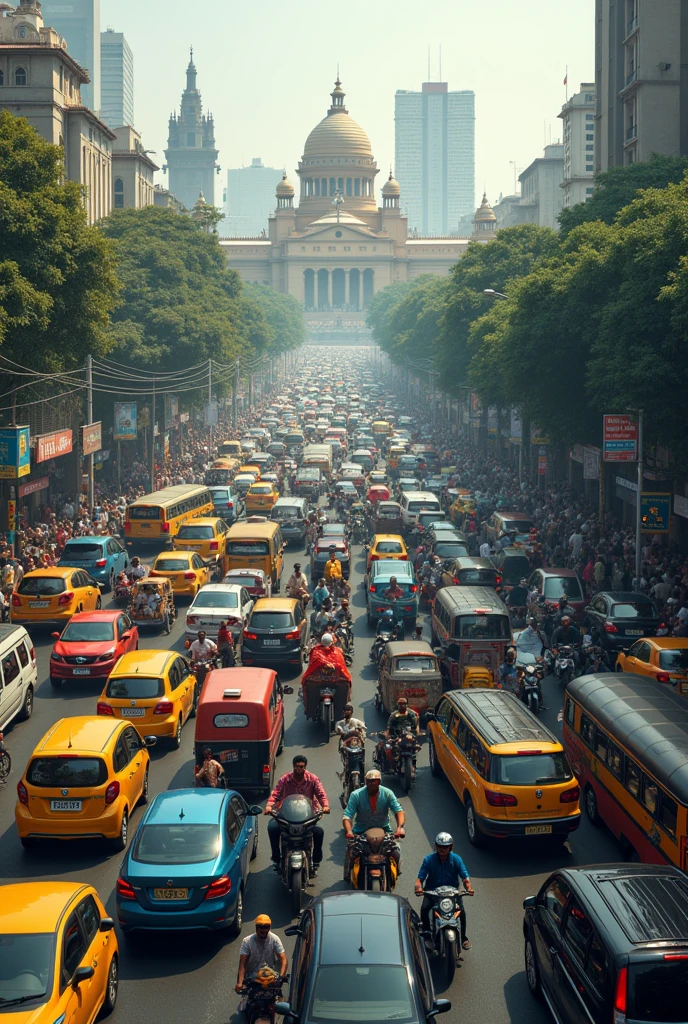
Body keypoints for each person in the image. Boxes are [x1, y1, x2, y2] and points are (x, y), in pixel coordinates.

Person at [265, 754, 330, 870]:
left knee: (319, 833)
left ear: (305, 767)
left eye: (301, 767)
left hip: (307, 815)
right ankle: (276, 858)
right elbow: (276, 794)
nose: (299, 769)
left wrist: (325, 806)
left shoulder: (313, 779)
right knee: (272, 828)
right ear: (293, 767)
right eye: (297, 767)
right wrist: (269, 806)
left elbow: (321, 794)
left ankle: (316, 861)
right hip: (287, 814)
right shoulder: (285, 779)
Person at [342, 769, 405, 882]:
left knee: (396, 850)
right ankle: (347, 873)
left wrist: (400, 827)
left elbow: (398, 811)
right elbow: (347, 816)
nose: (372, 784)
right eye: (369, 781)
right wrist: (349, 831)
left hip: (384, 830)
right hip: (361, 831)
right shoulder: (356, 795)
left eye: (374, 781)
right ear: (365, 782)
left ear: (379, 782)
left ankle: (395, 872)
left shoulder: (387, 793)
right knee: (351, 850)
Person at [415, 832, 474, 950]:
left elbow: (465, 878)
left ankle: (463, 937)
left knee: (461, 911)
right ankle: (427, 934)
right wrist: (418, 888)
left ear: (450, 847)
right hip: (432, 892)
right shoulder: (428, 860)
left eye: (445, 847)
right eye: (440, 847)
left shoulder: (456, 859)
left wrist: (469, 888)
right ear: (436, 847)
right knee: (424, 909)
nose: (442, 850)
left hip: (452, 893)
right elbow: (420, 878)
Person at [235, 915, 288, 1011]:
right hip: (253, 977)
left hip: (270, 976)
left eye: (266, 927)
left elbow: (283, 959)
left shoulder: (275, 939)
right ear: (256, 928)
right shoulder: (247, 941)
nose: (264, 931)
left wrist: (281, 976)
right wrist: (240, 983)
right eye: (261, 928)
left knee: (281, 1008)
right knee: (245, 1008)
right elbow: (242, 964)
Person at [375, 697, 418, 767]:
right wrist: (388, 737)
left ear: (407, 704)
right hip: (395, 736)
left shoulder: (411, 714)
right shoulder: (393, 715)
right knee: (386, 747)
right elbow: (389, 727)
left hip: (408, 735)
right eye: (400, 704)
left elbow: (415, 726)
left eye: (404, 704)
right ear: (397, 705)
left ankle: (413, 764)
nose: (402, 706)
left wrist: (414, 735)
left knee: (415, 749)